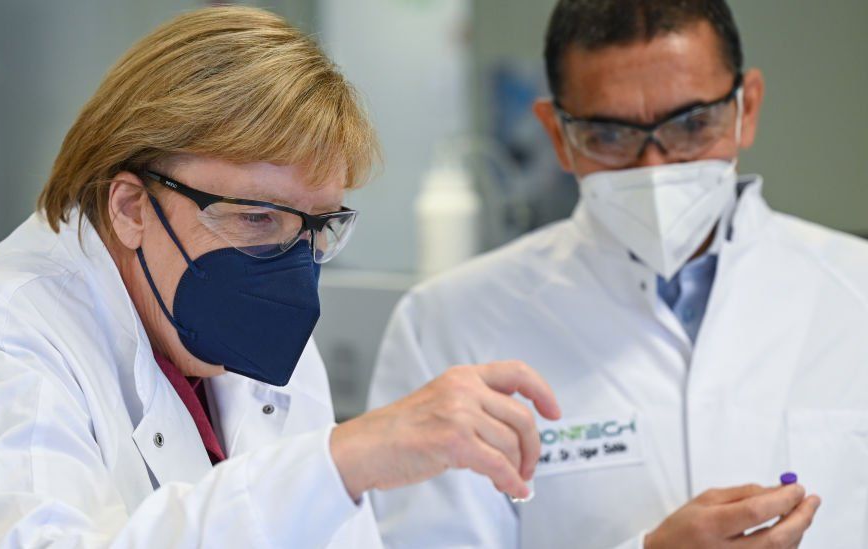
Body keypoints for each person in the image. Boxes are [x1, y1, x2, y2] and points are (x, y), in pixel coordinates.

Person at [0, 7, 561, 547]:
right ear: (130, 207)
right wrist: (342, 461)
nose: (293, 261)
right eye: (258, 217)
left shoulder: (247, 345)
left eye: (318, 225)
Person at [369, 1, 868, 547]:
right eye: (609, 135)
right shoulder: (448, 324)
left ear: (746, 107)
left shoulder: (854, 290)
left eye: (693, 125)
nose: (654, 169)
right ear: (557, 134)